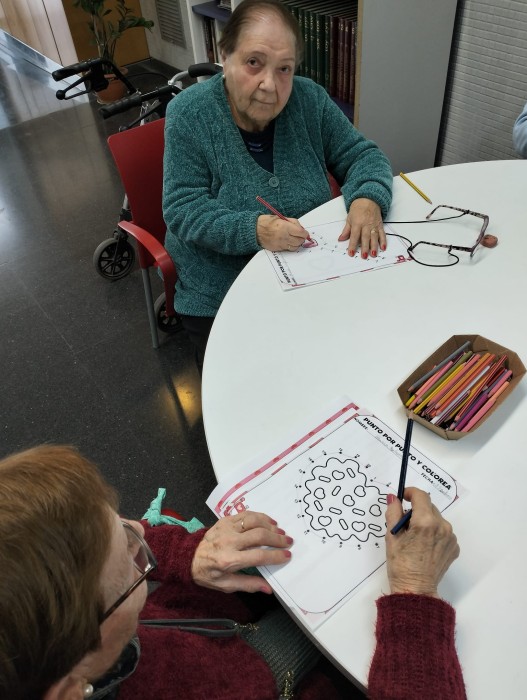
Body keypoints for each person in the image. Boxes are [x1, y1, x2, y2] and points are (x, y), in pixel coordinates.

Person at [0, 445, 465, 699]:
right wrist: (415, 596)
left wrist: (184, 554)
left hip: (237, 624)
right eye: (134, 557)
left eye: (125, 526)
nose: (143, 535)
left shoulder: (54, 650)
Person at [163, 0, 393, 366]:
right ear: (225, 55)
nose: (269, 85)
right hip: (222, 293)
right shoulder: (189, 114)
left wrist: (367, 198)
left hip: (312, 277)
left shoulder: (310, 100)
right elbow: (182, 209)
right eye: (254, 62)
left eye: (284, 68)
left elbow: (362, 155)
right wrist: (255, 230)